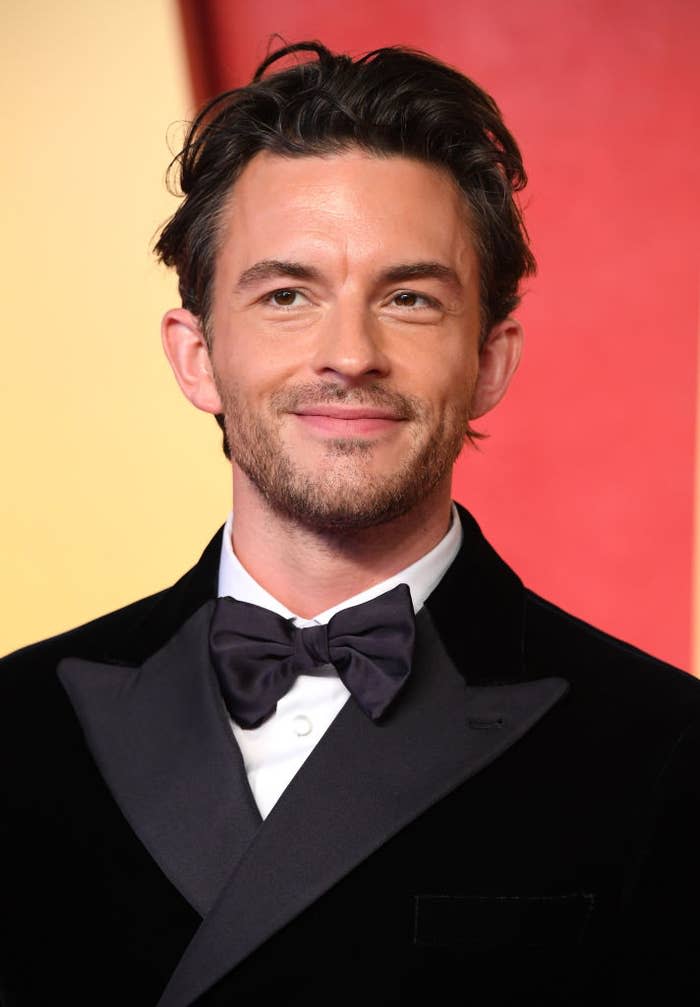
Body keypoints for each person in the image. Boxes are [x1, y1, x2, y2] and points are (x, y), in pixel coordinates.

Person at [1, 40, 698, 1007]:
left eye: (409, 299)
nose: (350, 354)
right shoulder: (13, 724)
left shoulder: (665, 746)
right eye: (287, 296)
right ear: (196, 353)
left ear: (491, 360)